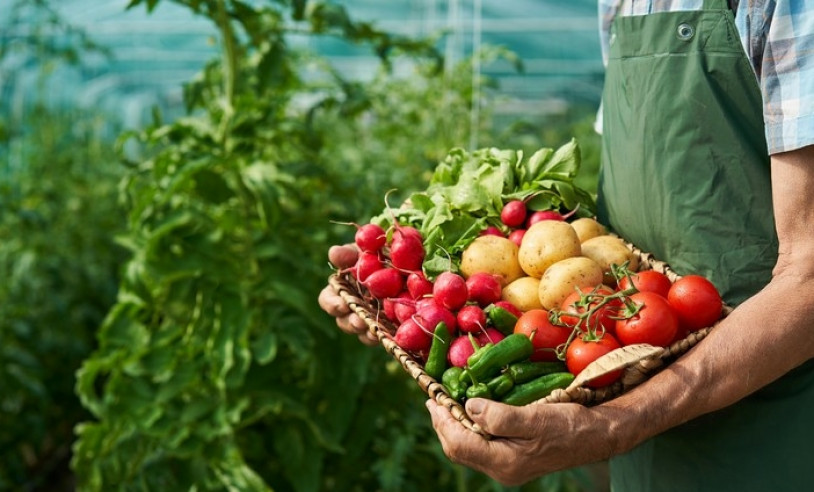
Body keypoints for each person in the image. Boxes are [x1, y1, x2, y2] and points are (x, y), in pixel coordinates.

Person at [319, 0, 814, 490]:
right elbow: (654, 190)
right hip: (641, 404)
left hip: (771, 427)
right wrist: (407, 301)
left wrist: (612, 425)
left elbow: (808, 280)